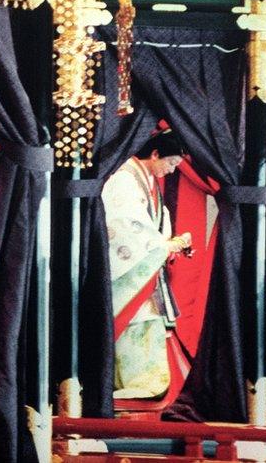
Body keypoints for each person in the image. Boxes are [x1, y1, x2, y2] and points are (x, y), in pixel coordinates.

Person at [102, 130, 191, 400]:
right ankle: (133, 384)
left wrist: (170, 243)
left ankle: (146, 385)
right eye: (171, 163)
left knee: (146, 325)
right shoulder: (124, 180)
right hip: (129, 271)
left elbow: (154, 225)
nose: (172, 170)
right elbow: (124, 226)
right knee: (135, 326)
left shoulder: (145, 181)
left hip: (146, 270)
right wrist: (165, 246)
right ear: (154, 154)